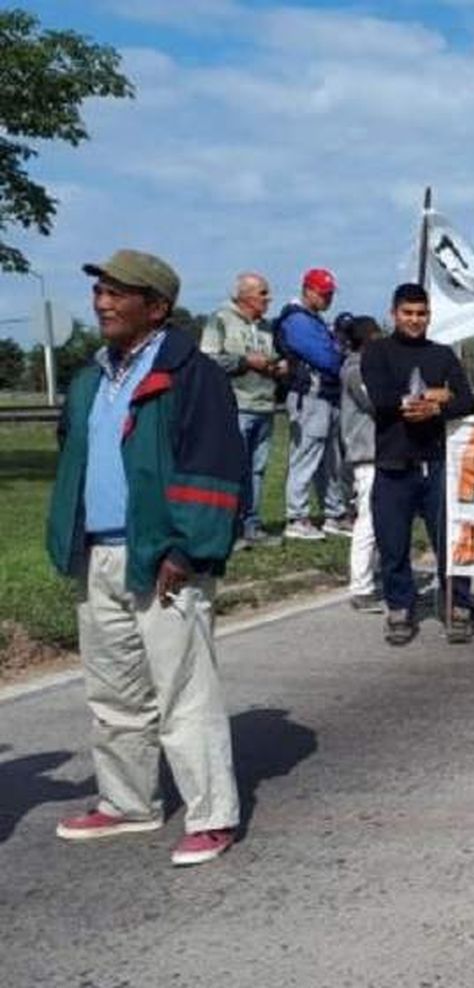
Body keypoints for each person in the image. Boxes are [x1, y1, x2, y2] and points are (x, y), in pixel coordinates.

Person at [47, 249, 245, 867]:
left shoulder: (192, 375)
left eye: (118, 292)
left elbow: (215, 467)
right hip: (100, 554)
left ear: (156, 308)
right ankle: (128, 802)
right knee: (113, 691)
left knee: (184, 690)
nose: (102, 302)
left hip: (163, 554)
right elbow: (74, 456)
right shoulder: (90, 377)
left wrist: (187, 548)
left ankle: (213, 815)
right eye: (100, 291)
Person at [360, 283, 474, 645]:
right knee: (393, 542)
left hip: (436, 462)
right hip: (394, 462)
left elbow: (467, 401)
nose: (415, 320)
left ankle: (457, 604)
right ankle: (400, 607)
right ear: (394, 313)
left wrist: (439, 405)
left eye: (421, 313)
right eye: (408, 313)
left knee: (449, 541)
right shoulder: (377, 352)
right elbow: (381, 399)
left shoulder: (442, 354)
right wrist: (433, 393)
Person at [199, 272, 282, 547]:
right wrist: (245, 362)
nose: (268, 299)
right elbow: (207, 360)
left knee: (257, 470)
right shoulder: (220, 320)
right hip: (235, 405)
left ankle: (252, 526)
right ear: (245, 295)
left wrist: (278, 366)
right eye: (263, 293)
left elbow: (271, 357)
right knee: (234, 468)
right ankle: (229, 528)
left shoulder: (268, 327)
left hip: (264, 405)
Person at [277, 268, 351, 541]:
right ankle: (296, 517)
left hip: (326, 396)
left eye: (330, 293)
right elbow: (327, 359)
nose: (328, 298)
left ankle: (334, 513)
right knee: (305, 457)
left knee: (331, 461)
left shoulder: (314, 319)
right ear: (307, 290)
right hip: (308, 395)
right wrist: (338, 354)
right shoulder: (296, 319)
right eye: (323, 293)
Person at [340, 316, 383, 613]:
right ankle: (360, 585)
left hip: (381, 451)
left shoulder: (367, 366)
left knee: (385, 522)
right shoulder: (355, 369)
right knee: (368, 520)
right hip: (366, 452)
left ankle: (378, 577)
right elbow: (375, 402)